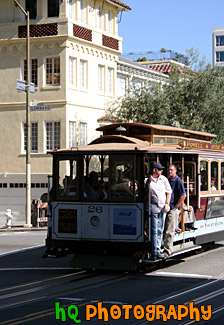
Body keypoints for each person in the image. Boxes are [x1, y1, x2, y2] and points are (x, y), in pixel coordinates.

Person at [147, 162, 172, 260]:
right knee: (154, 230)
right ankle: (154, 251)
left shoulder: (163, 179)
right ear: (154, 170)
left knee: (160, 229)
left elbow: (169, 192)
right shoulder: (148, 181)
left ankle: (158, 249)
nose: (161, 170)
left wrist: (167, 203)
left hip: (163, 208)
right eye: (159, 169)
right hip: (153, 208)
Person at [163, 164, 186, 256]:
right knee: (165, 229)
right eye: (168, 170)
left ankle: (168, 250)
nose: (169, 172)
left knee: (170, 230)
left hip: (173, 208)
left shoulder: (178, 181)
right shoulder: (167, 180)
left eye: (171, 170)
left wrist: (176, 206)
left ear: (175, 171)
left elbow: (183, 195)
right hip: (167, 207)